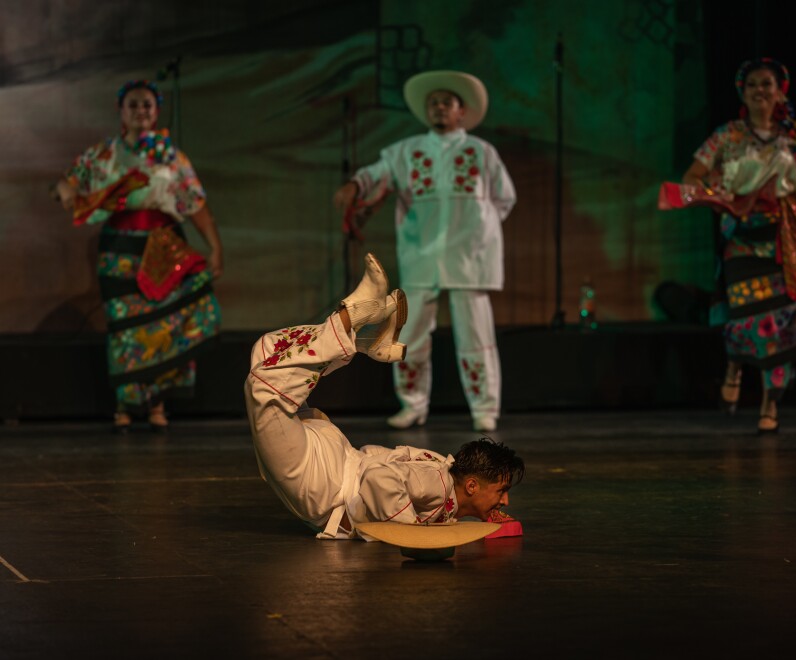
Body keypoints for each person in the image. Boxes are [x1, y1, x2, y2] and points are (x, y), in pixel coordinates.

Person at [243, 253, 524, 540]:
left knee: (266, 353)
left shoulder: (440, 465)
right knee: (263, 386)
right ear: (473, 486)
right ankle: (355, 315)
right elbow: (377, 477)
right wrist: (410, 533)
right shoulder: (439, 484)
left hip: (338, 460)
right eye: (501, 491)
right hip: (330, 486)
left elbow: (379, 456)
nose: (505, 501)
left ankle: (364, 342)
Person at [332, 70, 517, 432]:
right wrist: (355, 184)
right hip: (423, 254)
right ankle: (413, 404)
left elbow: (504, 198)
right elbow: (378, 173)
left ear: (461, 112)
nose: (439, 108)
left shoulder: (481, 152)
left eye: (447, 103)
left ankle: (485, 407)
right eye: (434, 103)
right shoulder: (407, 151)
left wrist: (480, 229)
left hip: (469, 256)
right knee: (411, 334)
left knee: (476, 336)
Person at [53, 80, 223, 432]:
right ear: (122, 111)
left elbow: (195, 204)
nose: (141, 111)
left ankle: (157, 404)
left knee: (162, 322)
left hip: (163, 245)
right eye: (133, 105)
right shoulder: (105, 154)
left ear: (156, 110)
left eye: (147, 105)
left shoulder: (172, 157)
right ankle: (125, 405)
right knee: (127, 328)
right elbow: (68, 182)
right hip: (120, 250)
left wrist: (214, 246)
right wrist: (69, 194)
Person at [682, 58, 796, 433]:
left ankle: (771, 405)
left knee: (783, 324)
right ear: (742, 91)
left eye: (767, 84)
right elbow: (691, 179)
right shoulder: (729, 136)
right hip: (742, 239)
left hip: (788, 239)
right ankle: (735, 367)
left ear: (779, 90)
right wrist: (717, 188)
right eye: (752, 84)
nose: (760, 91)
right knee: (745, 314)